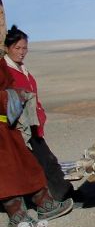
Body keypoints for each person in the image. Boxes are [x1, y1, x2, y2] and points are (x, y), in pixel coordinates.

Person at [3, 25, 76, 203]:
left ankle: (60, 194)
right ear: (7, 48)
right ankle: (56, 197)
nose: (22, 52)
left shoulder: (22, 69)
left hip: (33, 125)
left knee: (46, 160)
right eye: (17, 48)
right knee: (42, 162)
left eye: (24, 48)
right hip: (18, 127)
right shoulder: (6, 71)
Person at [1, 60, 73, 227]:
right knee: (6, 172)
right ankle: (16, 216)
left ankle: (44, 203)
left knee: (28, 163)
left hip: (7, 125)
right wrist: (8, 97)